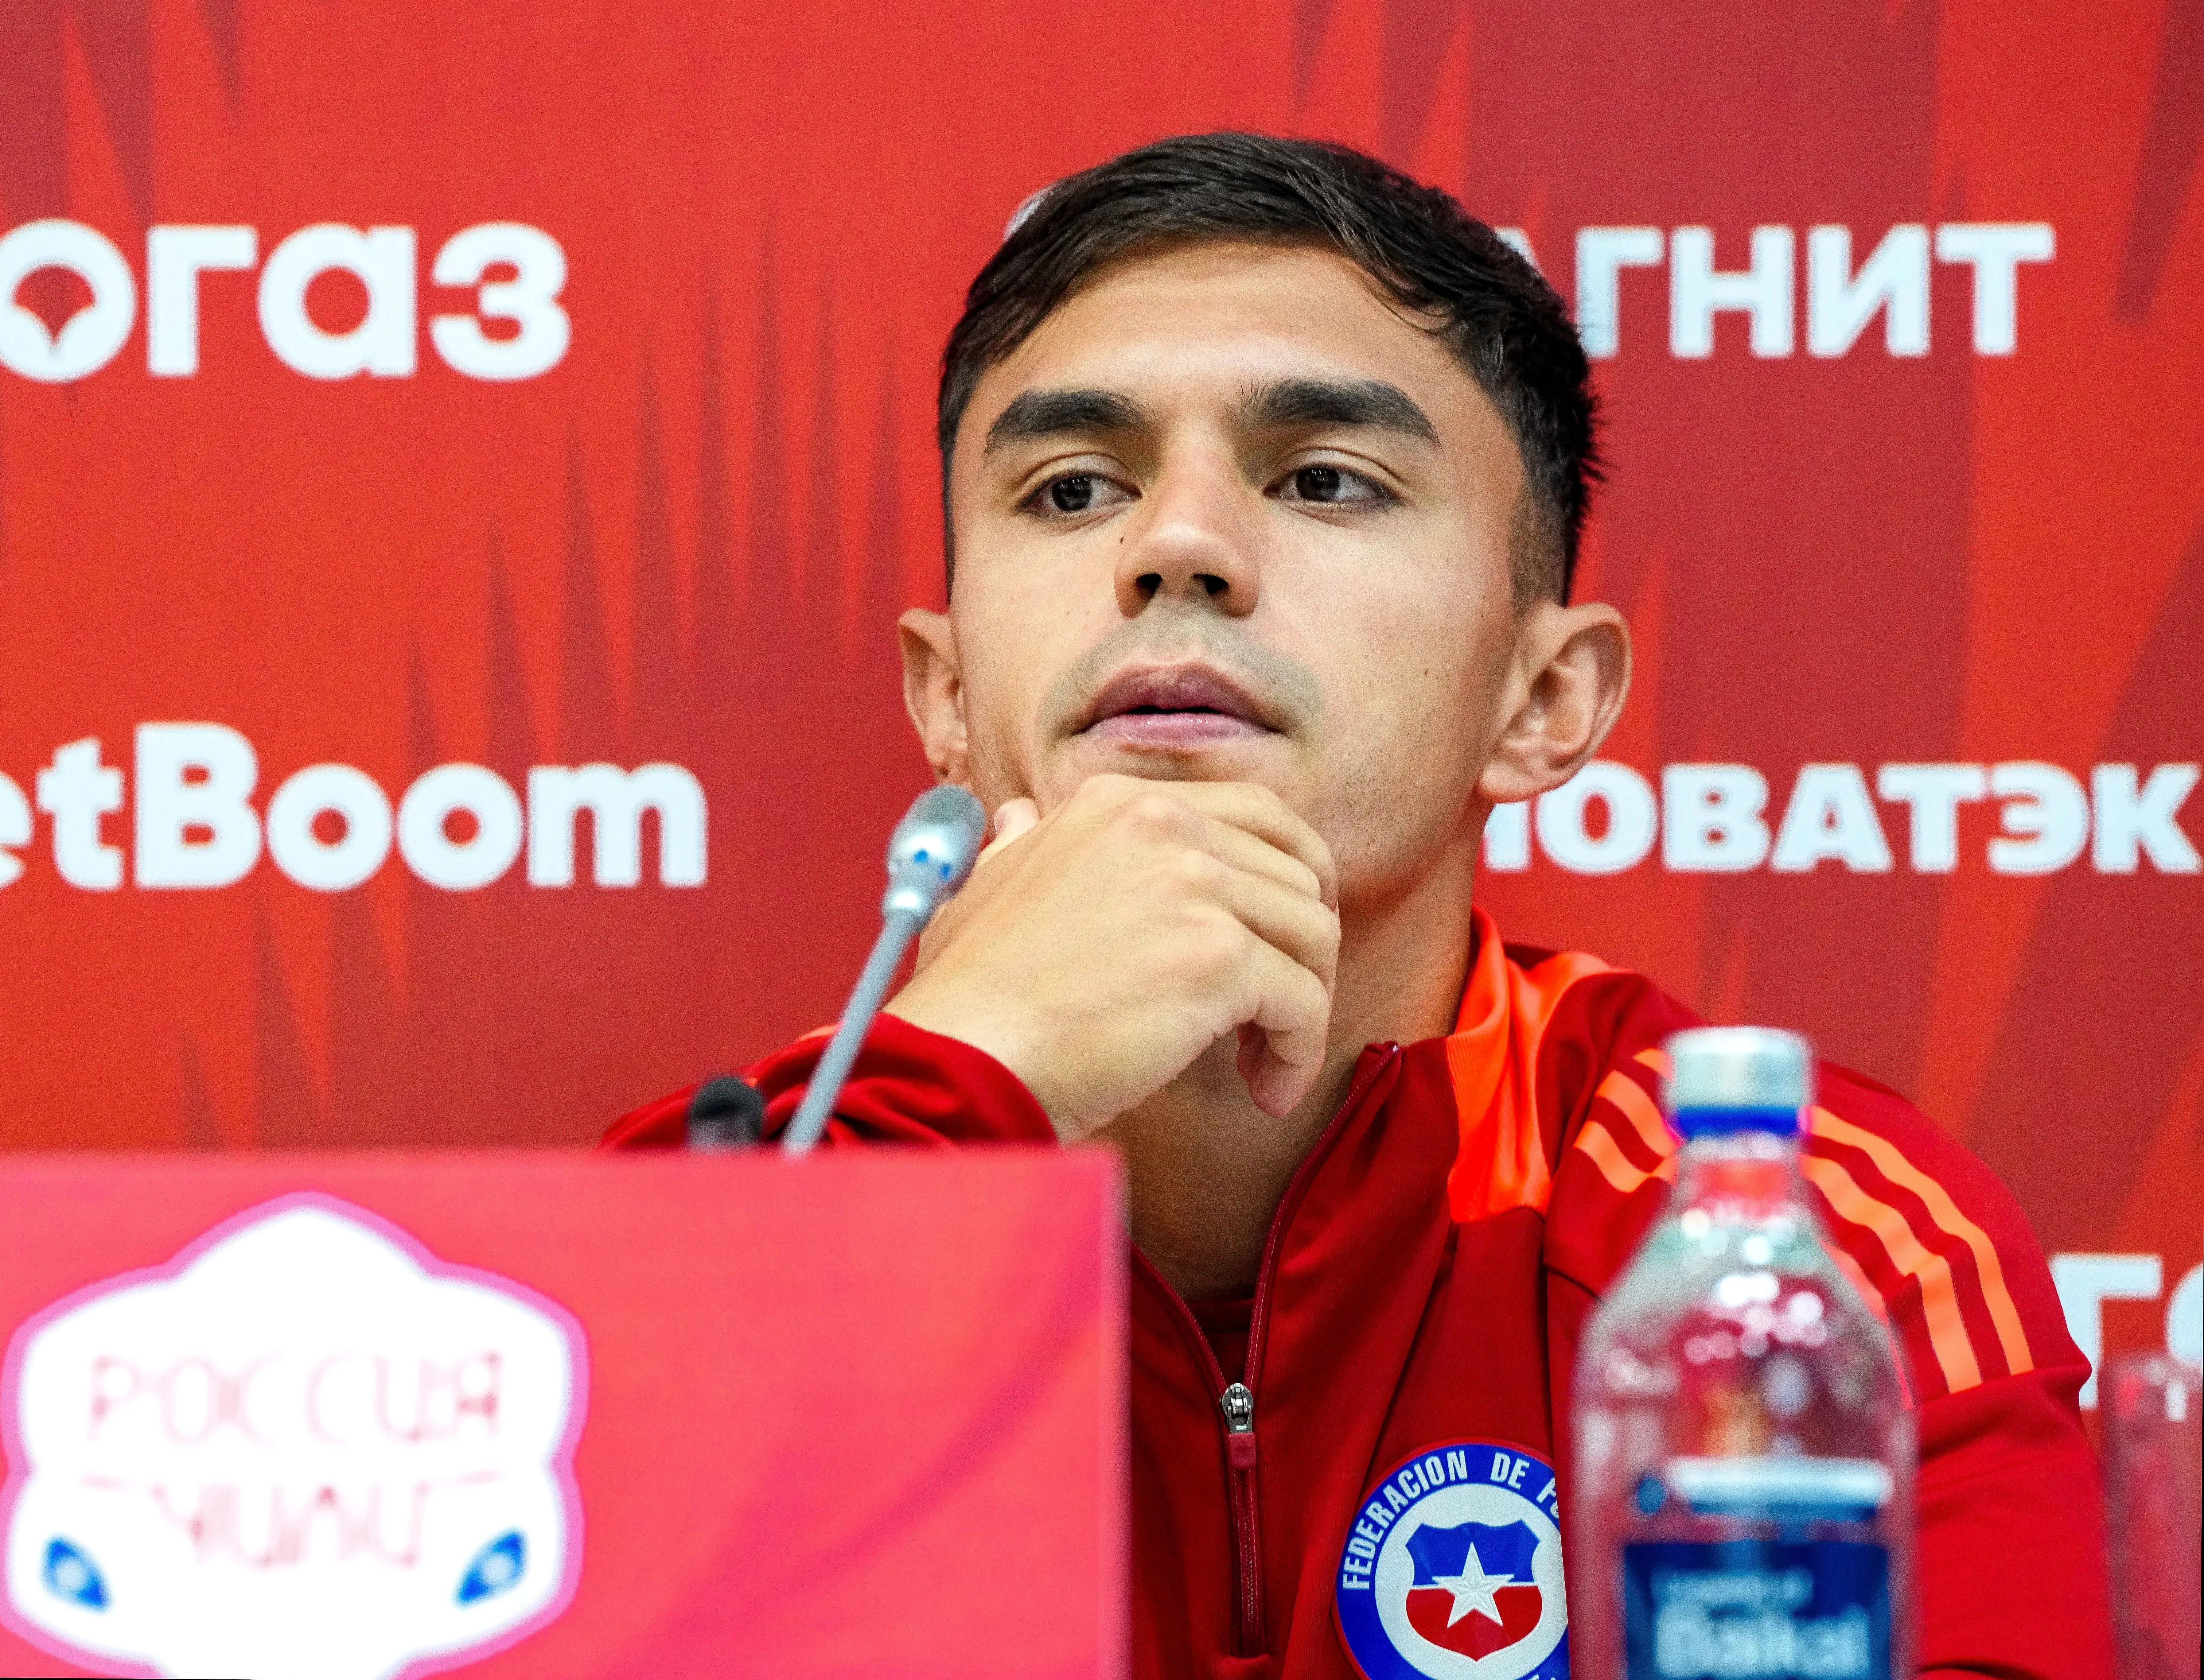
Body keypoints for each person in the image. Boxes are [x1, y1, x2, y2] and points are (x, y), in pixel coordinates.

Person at [605, 133, 2106, 1680]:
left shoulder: (1785, 1254)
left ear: (1542, 699)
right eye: (1074, 489)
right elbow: (535, 1576)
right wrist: (974, 1066)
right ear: (945, 694)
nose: (1175, 549)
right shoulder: (723, 1203)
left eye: (1326, 479)